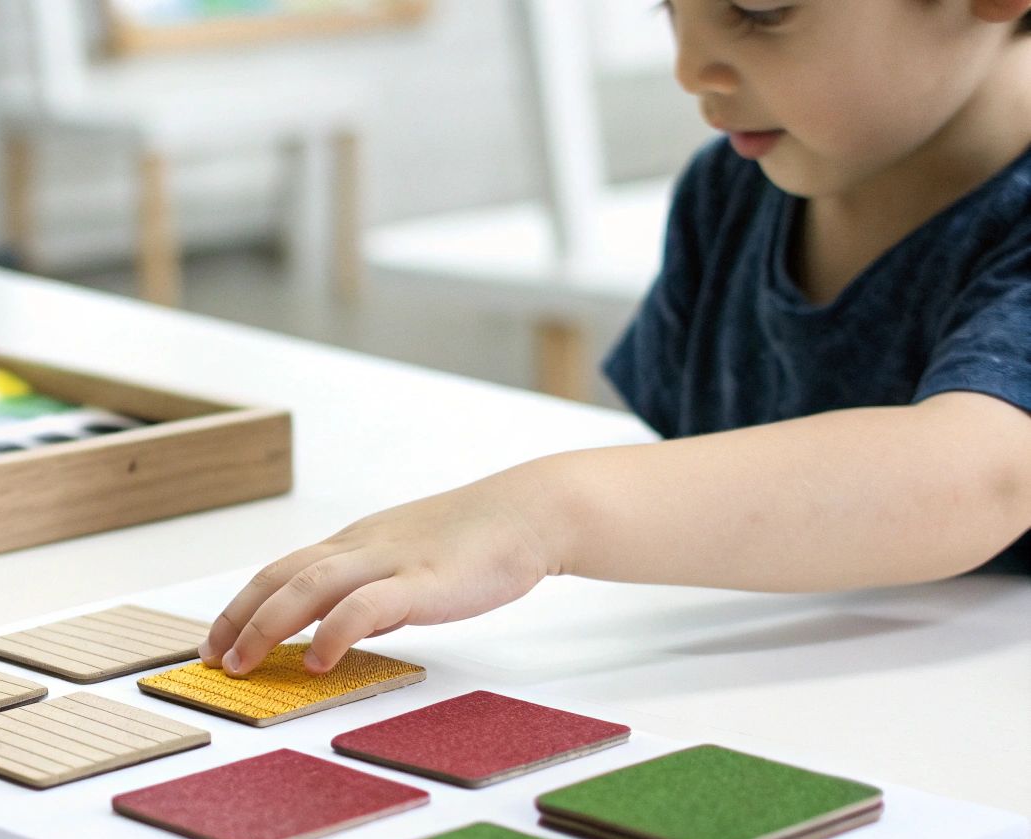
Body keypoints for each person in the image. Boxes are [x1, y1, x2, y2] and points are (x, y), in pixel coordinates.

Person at [200, 0, 1031, 677]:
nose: (689, 67)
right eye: (668, 7)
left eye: (759, 11)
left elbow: (979, 472)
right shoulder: (731, 190)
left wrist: (539, 514)